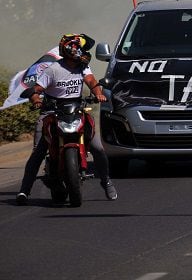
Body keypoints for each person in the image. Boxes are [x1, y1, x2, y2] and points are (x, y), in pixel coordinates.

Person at [16, 34, 117, 205]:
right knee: (38, 152)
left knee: (98, 148)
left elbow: (91, 81)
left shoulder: (83, 67)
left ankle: (106, 182)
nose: (83, 53)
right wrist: (36, 100)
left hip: (76, 111)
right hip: (51, 113)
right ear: (70, 50)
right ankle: (24, 191)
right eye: (80, 49)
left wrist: (98, 93)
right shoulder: (53, 69)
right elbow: (36, 89)